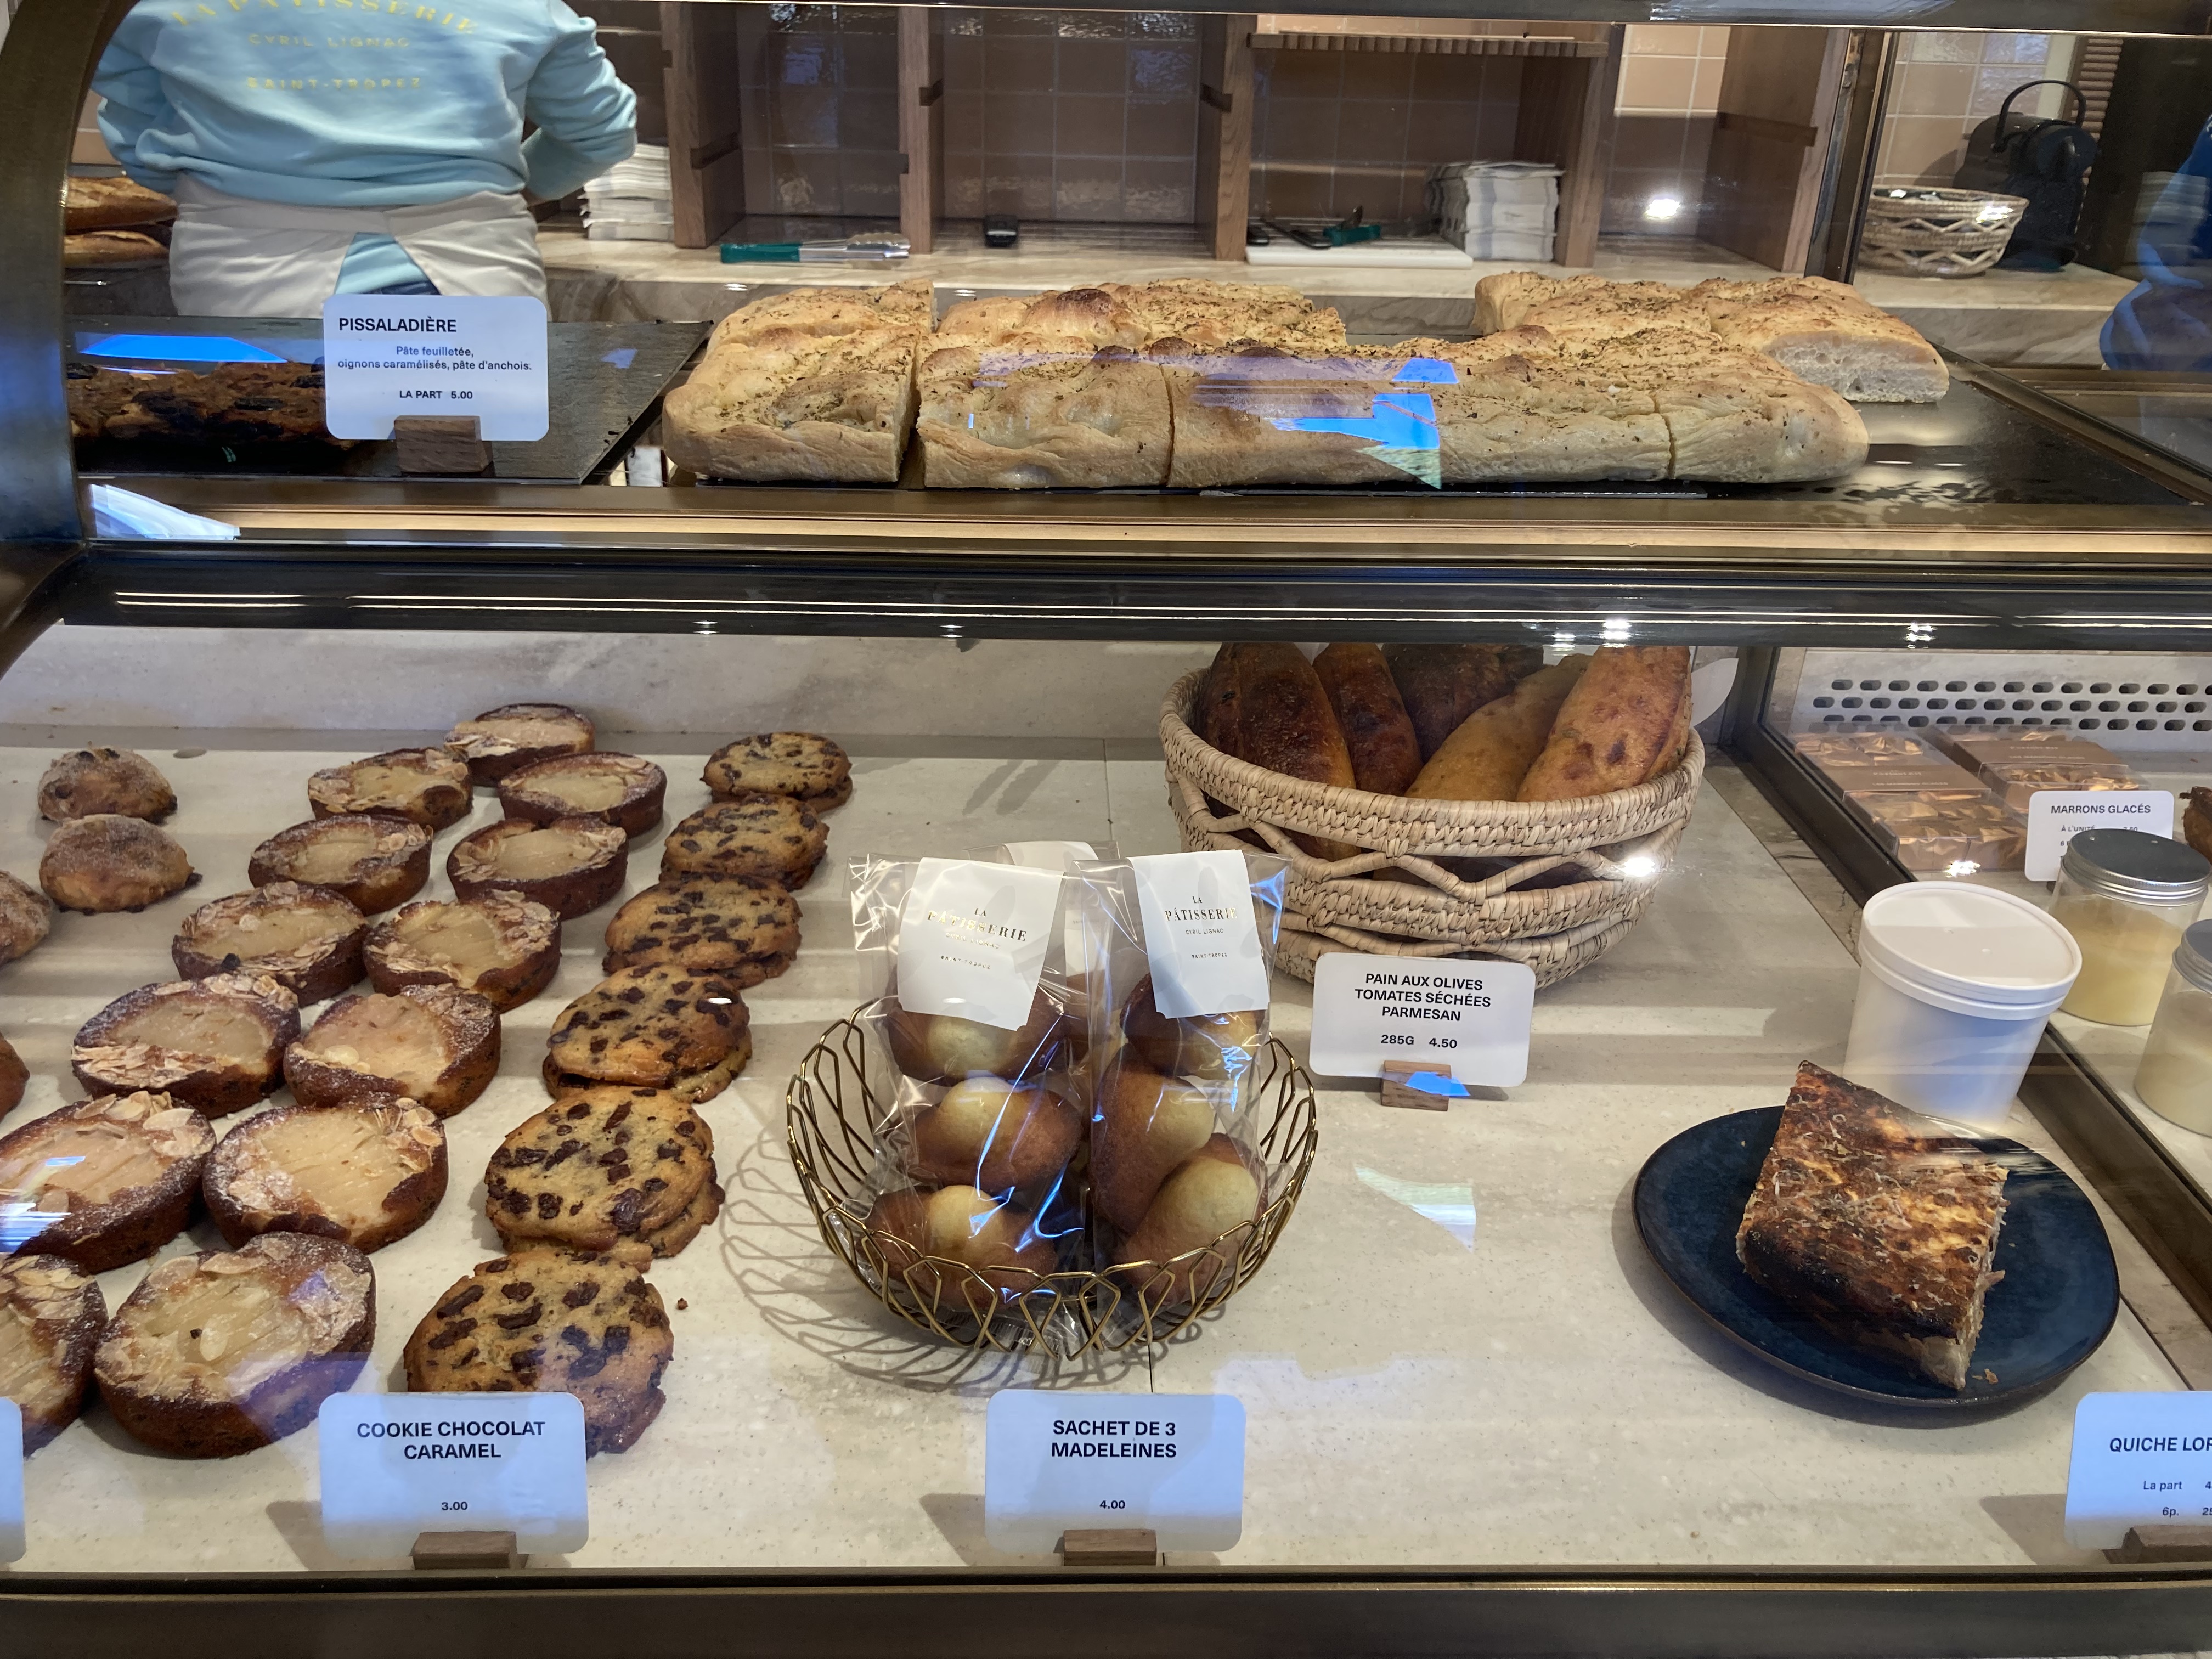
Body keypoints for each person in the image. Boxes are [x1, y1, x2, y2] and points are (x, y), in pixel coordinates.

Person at [92, 0, 636, 318]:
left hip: (240, 276)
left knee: (260, 446)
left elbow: (141, 143)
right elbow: (601, 133)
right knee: (477, 467)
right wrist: (511, 191)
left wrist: (220, 194)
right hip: (476, 274)